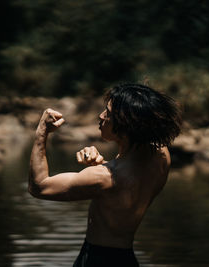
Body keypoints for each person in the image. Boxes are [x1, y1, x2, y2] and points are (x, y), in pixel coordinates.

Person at [28, 83, 182, 267]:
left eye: (108, 113)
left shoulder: (103, 178)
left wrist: (41, 132)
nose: (101, 116)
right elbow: (124, 185)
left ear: (126, 125)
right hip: (126, 259)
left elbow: (39, 186)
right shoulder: (161, 156)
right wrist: (102, 164)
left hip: (96, 259)